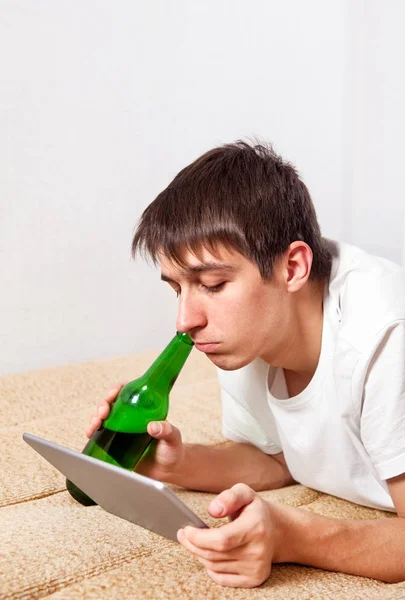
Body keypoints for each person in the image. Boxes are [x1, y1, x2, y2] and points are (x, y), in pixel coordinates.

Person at [86, 141, 405, 588]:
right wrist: (172, 464)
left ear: (293, 267)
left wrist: (293, 537)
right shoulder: (249, 332)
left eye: (213, 284)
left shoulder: (384, 336)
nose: (186, 321)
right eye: (177, 288)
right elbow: (277, 458)